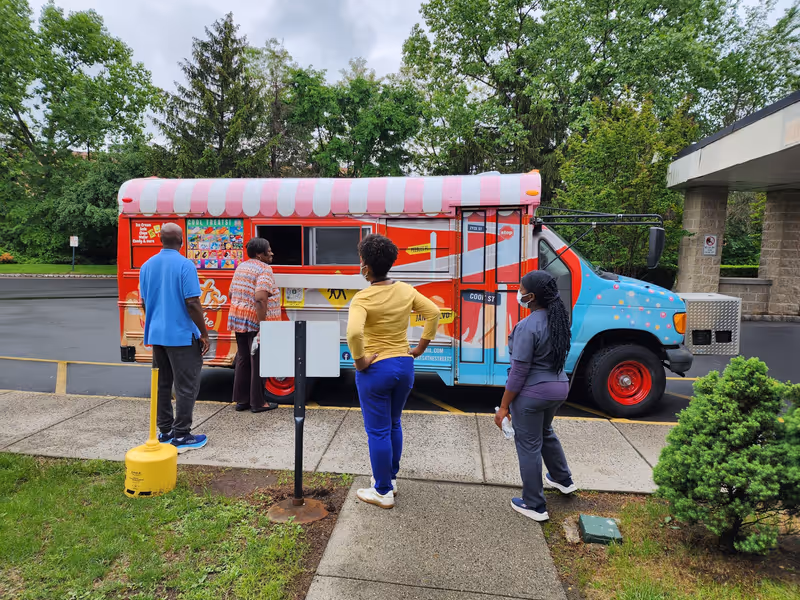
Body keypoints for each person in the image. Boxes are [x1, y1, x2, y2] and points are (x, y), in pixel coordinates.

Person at [346, 234, 441, 509]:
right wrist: (420, 349)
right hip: (404, 365)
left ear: (365, 264)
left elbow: (353, 332)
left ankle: (382, 490)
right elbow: (433, 312)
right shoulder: (406, 290)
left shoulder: (362, 298)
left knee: (377, 431)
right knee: (394, 423)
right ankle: (391, 479)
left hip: (376, 369)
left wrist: (361, 360)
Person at [494, 270, 577, 522]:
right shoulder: (559, 320)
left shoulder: (527, 326)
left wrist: (504, 407)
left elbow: (519, 372)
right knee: (545, 432)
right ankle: (563, 480)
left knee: (529, 445)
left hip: (532, 394)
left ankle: (534, 504)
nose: (518, 293)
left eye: (520, 289)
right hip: (559, 388)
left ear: (531, 296)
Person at [139, 222, 210, 453]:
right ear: (181, 241)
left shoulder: (147, 266)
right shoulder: (185, 265)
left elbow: (143, 302)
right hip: (181, 336)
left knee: (162, 384)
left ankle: (165, 431)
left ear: (161, 240)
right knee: (186, 386)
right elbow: (192, 302)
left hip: (157, 335)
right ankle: (182, 434)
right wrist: (204, 334)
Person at [228, 237, 281, 413]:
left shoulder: (241, 267)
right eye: (269, 250)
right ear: (260, 254)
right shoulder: (264, 269)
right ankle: (258, 403)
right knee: (258, 361)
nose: (272, 253)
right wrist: (263, 325)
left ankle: (242, 401)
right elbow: (260, 298)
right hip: (255, 322)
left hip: (238, 318)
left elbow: (230, 292)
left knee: (243, 359)